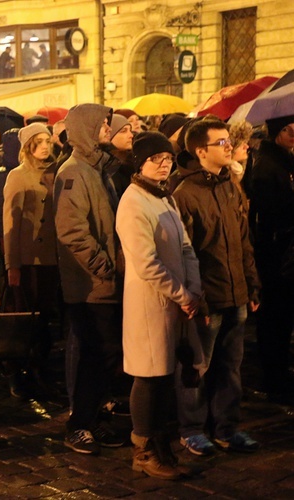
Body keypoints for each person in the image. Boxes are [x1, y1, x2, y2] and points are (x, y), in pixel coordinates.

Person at [116, 132, 201, 479]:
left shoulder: (165, 197)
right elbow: (145, 261)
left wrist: (192, 288)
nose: (165, 164)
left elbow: (185, 247)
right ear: (140, 163)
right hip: (151, 303)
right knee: (148, 377)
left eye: (168, 159)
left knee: (165, 376)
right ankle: (144, 448)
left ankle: (160, 441)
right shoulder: (133, 201)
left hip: (176, 302)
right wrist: (182, 294)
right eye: (156, 159)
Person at [173, 120, 261, 455]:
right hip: (207, 296)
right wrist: (197, 299)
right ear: (200, 151)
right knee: (197, 367)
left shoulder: (229, 185)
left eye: (228, 142)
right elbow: (185, 254)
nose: (229, 147)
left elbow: (242, 240)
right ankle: (192, 428)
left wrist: (252, 284)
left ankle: (226, 427)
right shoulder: (185, 193)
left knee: (231, 367)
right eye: (221, 143)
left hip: (236, 293)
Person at [54, 104, 124, 455]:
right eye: (104, 123)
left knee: (106, 355)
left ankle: (94, 418)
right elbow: (72, 231)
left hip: (104, 282)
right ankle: (79, 424)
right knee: (97, 355)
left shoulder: (98, 168)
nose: (108, 128)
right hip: (90, 284)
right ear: (86, 127)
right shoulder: (74, 171)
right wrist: (105, 267)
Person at [2, 123, 59, 396]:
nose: (45, 146)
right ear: (27, 146)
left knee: (46, 318)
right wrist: (12, 264)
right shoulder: (17, 175)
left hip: (53, 258)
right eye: (39, 142)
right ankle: (18, 372)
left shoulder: (57, 172)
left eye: (47, 140)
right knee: (25, 319)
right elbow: (10, 222)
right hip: (28, 260)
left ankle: (40, 370)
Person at [250, 115, 294, 401]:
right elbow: (268, 214)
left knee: (283, 317)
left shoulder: (285, 161)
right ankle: (273, 379)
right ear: (277, 133)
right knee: (274, 318)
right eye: (290, 130)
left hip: (285, 252)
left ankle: (279, 373)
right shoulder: (268, 166)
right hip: (276, 255)